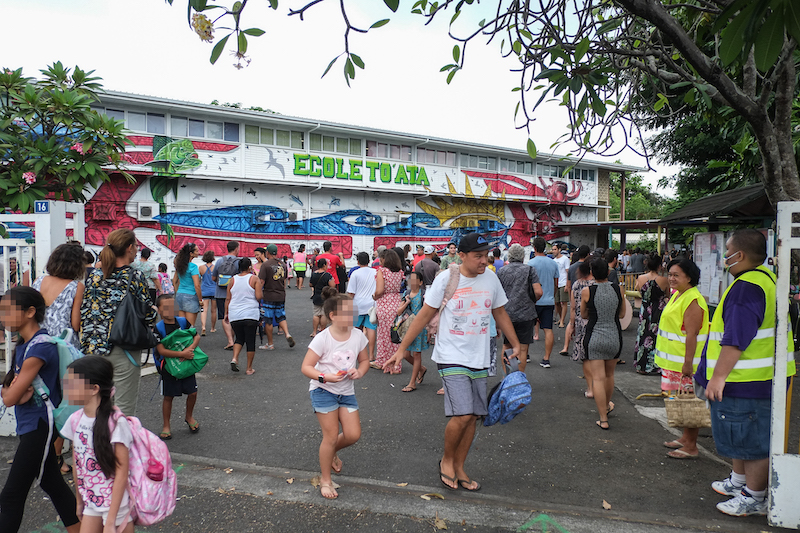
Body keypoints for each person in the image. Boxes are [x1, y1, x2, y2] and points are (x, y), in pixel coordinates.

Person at [385, 232, 520, 491]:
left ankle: (460, 465)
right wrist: (402, 349)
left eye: (486, 255)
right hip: (451, 356)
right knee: (463, 414)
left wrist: (514, 344)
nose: (484, 260)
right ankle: (447, 460)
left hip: (480, 356)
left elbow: (499, 311)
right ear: (462, 256)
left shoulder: (491, 278)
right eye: (478, 256)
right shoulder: (447, 279)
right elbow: (425, 314)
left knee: (474, 417)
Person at [698, 229, 796, 516]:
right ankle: (739, 482)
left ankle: (754, 497)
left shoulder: (746, 287)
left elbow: (736, 337)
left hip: (747, 381)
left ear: (738, 255)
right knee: (738, 434)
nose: (723, 258)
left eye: (726, 251)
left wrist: (718, 377)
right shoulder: (765, 280)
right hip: (756, 379)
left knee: (750, 439)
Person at [0, 288, 80, 533]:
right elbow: (9, 391)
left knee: (11, 495)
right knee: (52, 483)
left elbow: (11, 396)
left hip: (40, 426)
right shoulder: (25, 345)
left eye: (7, 311)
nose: (2, 316)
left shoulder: (39, 348)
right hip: (31, 424)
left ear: (30, 312)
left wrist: (12, 391)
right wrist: (11, 391)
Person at [301, 293, 370, 500]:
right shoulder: (323, 338)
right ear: (333, 315)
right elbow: (306, 367)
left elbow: (365, 361)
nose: (353, 315)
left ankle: (330, 453)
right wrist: (325, 377)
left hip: (346, 392)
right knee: (330, 436)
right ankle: (325, 480)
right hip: (323, 391)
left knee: (352, 434)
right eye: (348, 312)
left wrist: (360, 371)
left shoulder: (358, 335)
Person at [81, 228, 157, 416]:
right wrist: (154, 311)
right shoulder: (135, 277)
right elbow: (147, 316)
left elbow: (86, 311)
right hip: (123, 349)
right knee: (122, 413)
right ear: (130, 248)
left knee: (98, 409)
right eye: (137, 246)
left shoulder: (94, 277)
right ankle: (118, 446)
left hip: (92, 350)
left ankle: (96, 445)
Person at [61, 356, 134, 533]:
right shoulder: (75, 420)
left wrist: (110, 521)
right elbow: (78, 463)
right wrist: (79, 501)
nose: (65, 388)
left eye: (72, 383)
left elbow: (121, 473)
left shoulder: (117, 423)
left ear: (94, 389)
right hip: (91, 501)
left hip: (116, 506)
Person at [32, 243, 86, 474]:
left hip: (38, 345)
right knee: (64, 401)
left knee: (43, 398)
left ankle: (43, 455)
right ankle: (57, 457)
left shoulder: (37, 282)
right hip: (63, 348)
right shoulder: (76, 286)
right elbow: (75, 324)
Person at [655, 259, 708, 459]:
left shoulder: (692, 299)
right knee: (680, 402)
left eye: (676, 275)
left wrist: (688, 364)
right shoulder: (679, 295)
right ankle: (685, 438)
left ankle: (691, 445)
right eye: (670, 274)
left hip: (685, 363)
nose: (671, 278)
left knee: (689, 403)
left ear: (689, 277)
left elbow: (691, 335)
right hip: (673, 362)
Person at [581, 257, 625, 430]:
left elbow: (584, 315)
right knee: (609, 376)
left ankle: (603, 419)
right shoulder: (618, 289)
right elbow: (621, 314)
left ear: (592, 273)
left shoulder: (587, 291)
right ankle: (606, 406)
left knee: (597, 378)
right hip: (614, 336)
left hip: (594, 336)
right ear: (608, 272)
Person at [153, 294, 201, 439]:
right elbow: (160, 350)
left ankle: (189, 416)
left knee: (192, 392)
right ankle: (166, 425)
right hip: (169, 367)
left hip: (186, 365)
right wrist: (181, 353)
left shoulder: (183, 322)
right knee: (169, 396)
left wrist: (190, 350)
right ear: (159, 310)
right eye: (165, 307)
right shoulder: (158, 328)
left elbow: (196, 336)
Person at [496, 243, 542, 373]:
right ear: (523, 256)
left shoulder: (502, 271)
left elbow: (497, 293)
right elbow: (538, 292)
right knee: (522, 348)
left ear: (509, 256)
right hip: (526, 314)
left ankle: (507, 377)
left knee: (506, 346)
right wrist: (530, 301)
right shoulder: (530, 270)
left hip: (506, 314)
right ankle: (519, 378)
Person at [633, 255, 670, 375]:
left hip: (645, 309)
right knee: (657, 336)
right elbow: (667, 295)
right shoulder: (664, 280)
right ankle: (656, 364)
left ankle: (641, 365)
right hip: (658, 309)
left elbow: (638, 290)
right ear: (660, 266)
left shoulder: (640, 278)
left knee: (643, 335)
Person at [225, 257, 263, 374]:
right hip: (250, 313)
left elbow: (228, 298)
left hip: (235, 313)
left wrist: (226, 313)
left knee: (239, 338)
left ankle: (234, 358)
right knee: (250, 341)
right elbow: (258, 296)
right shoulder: (254, 279)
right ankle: (249, 368)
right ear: (249, 267)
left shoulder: (232, 280)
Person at [395, 271, 429, 391]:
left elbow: (428, 313)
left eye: (415, 280)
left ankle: (412, 383)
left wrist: (429, 330)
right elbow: (399, 311)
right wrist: (407, 302)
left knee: (416, 354)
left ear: (420, 282)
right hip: (408, 326)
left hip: (420, 327)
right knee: (405, 354)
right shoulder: (406, 293)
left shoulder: (424, 295)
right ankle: (421, 368)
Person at [373, 248, 405, 371]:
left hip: (385, 303)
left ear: (384, 259)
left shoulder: (382, 271)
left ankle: (384, 361)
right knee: (395, 334)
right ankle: (396, 364)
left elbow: (380, 291)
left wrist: (374, 296)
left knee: (383, 334)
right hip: (397, 302)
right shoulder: (399, 272)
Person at [258, 244, 295, 350]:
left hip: (269, 295)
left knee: (268, 320)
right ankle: (287, 334)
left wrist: (257, 293)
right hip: (280, 294)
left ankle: (270, 344)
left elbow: (261, 281)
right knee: (281, 316)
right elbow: (284, 280)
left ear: (267, 253)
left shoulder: (266, 265)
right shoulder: (282, 264)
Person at [528, 238, 558, 367]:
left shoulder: (530, 263)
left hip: (533, 301)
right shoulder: (553, 263)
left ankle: (526, 354)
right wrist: (552, 294)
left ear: (534, 248)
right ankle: (546, 359)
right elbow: (556, 283)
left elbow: (528, 284)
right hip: (549, 300)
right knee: (548, 329)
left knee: (528, 328)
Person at [570, 261, 595, 397]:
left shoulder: (577, 284)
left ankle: (590, 388)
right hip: (595, 321)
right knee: (596, 356)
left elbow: (573, 307)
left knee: (585, 357)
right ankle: (599, 386)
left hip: (581, 321)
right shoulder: (595, 284)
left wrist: (572, 324)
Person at [560, 245, 591, 357]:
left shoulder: (572, 267)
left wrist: (570, 298)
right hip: (587, 298)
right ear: (588, 254)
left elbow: (568, 285)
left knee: (571, 323)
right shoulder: (588, 266)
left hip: (575, 296)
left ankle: (565, 347)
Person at [346, 252, 377, 362]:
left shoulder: (355, 273)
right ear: (369, 261)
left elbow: (351, 292)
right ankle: (371, 355)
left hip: (358, 304)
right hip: (372, 304)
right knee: (371, 329)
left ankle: (353, 353)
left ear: (358, 261)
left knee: (354, 330)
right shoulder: (375, 272)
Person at [213, 241, 240, 351]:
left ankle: (230, 340)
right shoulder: (239, 262)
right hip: (234, 293)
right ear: (236, 249)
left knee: (224, 316)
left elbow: (213, 278)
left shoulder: (220, 260)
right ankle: (235, 338)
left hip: (220, 293)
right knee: (234, 315)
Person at [174, 242, 203, 327]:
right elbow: (197, 285)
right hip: (191, 296)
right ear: (191, 254)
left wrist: (178, 291)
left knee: (182, 326)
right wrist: (200, 300)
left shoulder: (179, 265)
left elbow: (174, 280)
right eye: (197, 251)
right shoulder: (193, 267)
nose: (199, 253)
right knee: (190, 327)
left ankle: (182, 341)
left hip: (179, 295)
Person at [310, 258, 336, 337]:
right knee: (323, 314)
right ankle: (322, 330)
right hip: (325, 296)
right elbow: (333, 285)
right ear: (324, 265)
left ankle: (314, 332)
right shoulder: (327, 275)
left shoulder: (314, 274)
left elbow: (310, 284)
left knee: (316, 314)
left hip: (316, 296)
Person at [198, 250, 217, 336]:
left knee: (204, 310)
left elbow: (198, 279)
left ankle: (203, 327)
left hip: (204, 290)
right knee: (213, 311)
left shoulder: (201, 267)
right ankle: (212, 328)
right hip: (214, 290)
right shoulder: (215, 267)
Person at [552, 244, 570, 328]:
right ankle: (560, 318)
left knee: (564, 302)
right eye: (552, 249)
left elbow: (568, 272)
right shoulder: (554, 260)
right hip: (556, 284)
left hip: (563, 283)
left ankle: (562, 320)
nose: (553, 251)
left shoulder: (565, 259)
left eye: (555, 249)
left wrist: (567, 284)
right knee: (557, 303)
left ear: (559, 249)